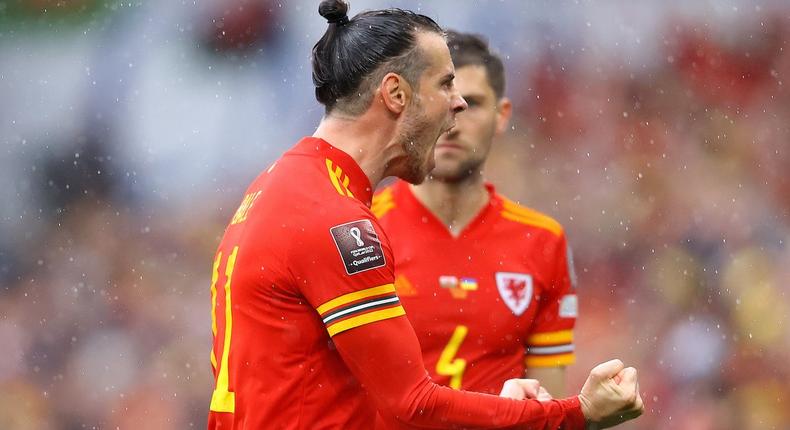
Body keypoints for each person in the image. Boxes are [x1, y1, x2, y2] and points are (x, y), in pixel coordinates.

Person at [207, 1, 643, 428]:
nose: (457, 105)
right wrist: (577, 414)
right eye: (446, 84)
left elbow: (332, 394)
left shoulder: (282, 185)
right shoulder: (338, 222)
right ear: (396, 94)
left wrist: (499, 407)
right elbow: (412, 405)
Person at [372, 31, 576, 399]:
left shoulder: (543, 242)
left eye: (473, 103)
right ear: (409, 109)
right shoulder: (363, 231)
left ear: (502, 116)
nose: (454, 117)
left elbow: (550, 409)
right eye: (440, 99)